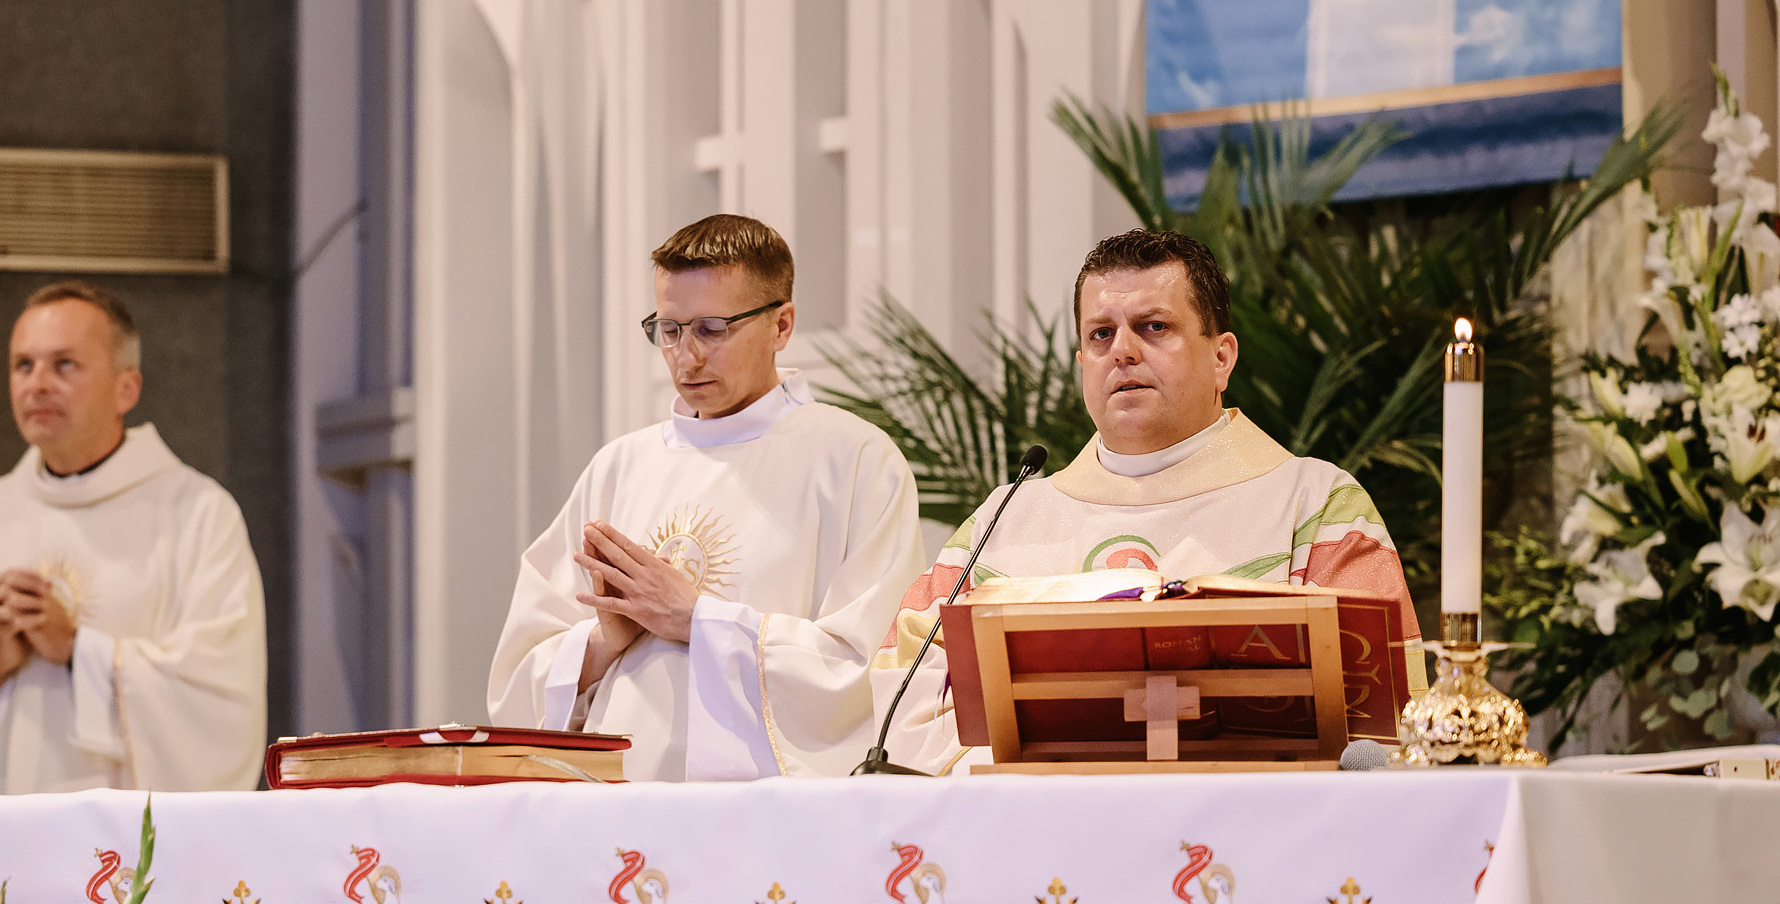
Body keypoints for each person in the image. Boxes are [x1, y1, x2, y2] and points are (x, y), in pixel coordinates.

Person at [870, 228, 1423, 774]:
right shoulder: (1006, 519)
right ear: (1082, 362)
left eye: (1154, 327)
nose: (1123, 352)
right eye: (1101, 335)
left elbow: (1386, 723)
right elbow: (904, 699)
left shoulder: (1315, 505)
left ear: (1222, 358)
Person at [488, 215, 923, 778]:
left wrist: (698, 620)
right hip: (615, 813)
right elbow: (516, 686)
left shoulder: (855, 460)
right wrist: (603, 642)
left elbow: (873, 669)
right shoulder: (618, 469)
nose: (686, 357)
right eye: (669, 330)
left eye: (712, 329)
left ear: (782, 325)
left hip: (766, 825)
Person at [0, 281, 267, 795]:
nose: (37, 384)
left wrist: (79, 649)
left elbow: (220, 696)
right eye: (23, 365)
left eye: (63, 365)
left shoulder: (197, 515)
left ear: (127, 388)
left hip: (127, 846)